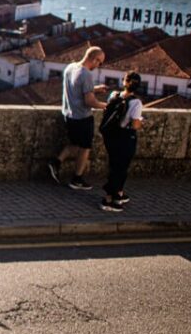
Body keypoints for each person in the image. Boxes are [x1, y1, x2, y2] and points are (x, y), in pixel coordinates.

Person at [48, 46, 108, 190]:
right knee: (85, 147)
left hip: (69, 114)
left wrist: (95, 89)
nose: (99, 66)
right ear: (94, 59)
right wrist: (106, 106)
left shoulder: (71, 67)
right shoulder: (86, 74)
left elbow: (77, 87)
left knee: (75, 143)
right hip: (82, 116)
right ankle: (77, 179)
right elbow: (89, 102)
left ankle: (56, 162)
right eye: (100, 63)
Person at [100, 72, 144, 212]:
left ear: (125, 81)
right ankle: (110, 198)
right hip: (125, 136)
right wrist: (141, 121)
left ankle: (117, 193)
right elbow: (135, 125)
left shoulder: (114, 95)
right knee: (121, 168)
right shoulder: (136, 102)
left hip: (111, 136)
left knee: (114, 165)